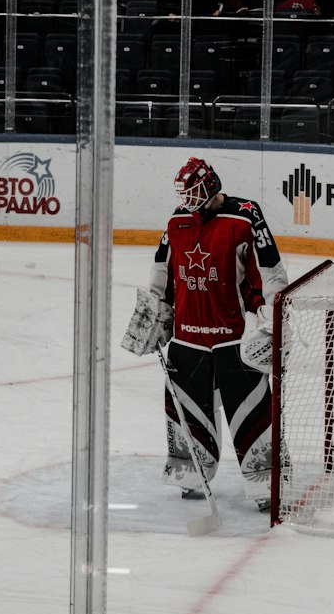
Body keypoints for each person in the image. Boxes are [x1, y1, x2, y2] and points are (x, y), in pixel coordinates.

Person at [123, 157, 288, 510]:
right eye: (184, 194)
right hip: (186, 339)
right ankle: (190, 473)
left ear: (210, 184)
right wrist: (156, 316)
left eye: (194, 191)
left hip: (233, 340)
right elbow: (162, 273)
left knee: (252, 412)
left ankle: (264, 482)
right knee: (187, 411)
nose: (188, 200)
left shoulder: (244, 216)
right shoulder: (177, 221)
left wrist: (270, 320)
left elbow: (269, 271)